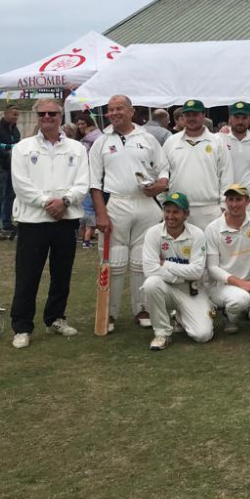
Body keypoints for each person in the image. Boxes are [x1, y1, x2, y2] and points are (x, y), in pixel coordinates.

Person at [8, 99, 89, 349]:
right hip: (33, 220)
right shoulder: (23, 148)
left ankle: (55, 318)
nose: (47, 117)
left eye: (52, 113)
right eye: (42, 113)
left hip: (65, 219)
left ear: (60, 116)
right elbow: (21, 185)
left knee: (61, 273)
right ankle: (22, 326)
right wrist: (47, 203)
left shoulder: (77, 148)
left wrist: (64, 201)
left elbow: (82, 183)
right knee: (28, 275)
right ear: (36, 117)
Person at [89, 94, 170, 331]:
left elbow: (163, 168)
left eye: (119, 109)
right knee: (115, 260)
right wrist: (101, 214)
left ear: (131, 111)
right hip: (116, 203)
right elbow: (94, 182)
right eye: (111, 110)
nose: (114, 113)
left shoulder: (147, 138)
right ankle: (110, 313)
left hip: (145, 203)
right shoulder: (101, 141)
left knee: (142, 261)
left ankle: (142, 308)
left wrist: (160, 185)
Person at [141, 192, 212, 351]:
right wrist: (179, 277)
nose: (170, 216)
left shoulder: (197, 234)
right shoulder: (153, 233)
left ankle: (179, 317)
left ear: (186, 214)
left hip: (191, 290)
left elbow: (197, 272)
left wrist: (165, 263)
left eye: (176, 212)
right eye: (167, 211)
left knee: (203, 335)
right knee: (151, 283)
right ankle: (162, 334)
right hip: (166, 287)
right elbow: (150, 269)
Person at [204, 184, 250, 334]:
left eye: (238, 199)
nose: (234, 204)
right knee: (240, 299)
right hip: (222, 286)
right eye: (230, 199)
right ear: (226, 201)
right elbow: (213, 268)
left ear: (248, 201)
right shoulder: (213, 228)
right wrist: (241, 283)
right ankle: (229, 315)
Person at [163, 99, 232, 230]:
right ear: (182, 117)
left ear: (203, 115)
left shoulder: (217, 142)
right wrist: (164, 203)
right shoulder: (171, 142)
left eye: (195, 114)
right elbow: (162, 172)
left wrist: (224, 206)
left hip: (210, 210)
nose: (191, 118)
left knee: (210, 250)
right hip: (177, 209)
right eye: (188, 115)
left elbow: (226, 175)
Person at [221, 101, 250, 212]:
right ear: (230, 118)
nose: (240, 121)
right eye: (236, 117)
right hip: (228, 199)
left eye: (244, 117)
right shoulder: (219, 140)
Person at [73, 113, 102, 249]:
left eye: (83, 124)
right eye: (78, 124)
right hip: (84, 174)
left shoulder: (95, 139)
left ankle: (86, 238)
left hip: (92, 173)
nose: (80, 127)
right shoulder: (82, 141)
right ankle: (84, 238)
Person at [0, 104, 22, 237]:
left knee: (10, 195)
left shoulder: (15, 129)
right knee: (1, 195)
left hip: (13, 166)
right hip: (2, 166)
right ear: (5, 114)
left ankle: (7, 222)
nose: (16, 117)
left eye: (17, 115)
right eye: (14, 114)